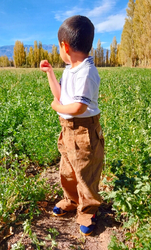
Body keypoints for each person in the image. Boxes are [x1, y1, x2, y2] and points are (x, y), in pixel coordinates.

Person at [40, 15, 104, 236]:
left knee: (86, 174)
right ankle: (72, 200)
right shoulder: (70, 69)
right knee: (67, 171)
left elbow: (77, 107)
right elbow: (61, 96)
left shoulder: (86, 72)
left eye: (58, 46)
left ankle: (88, 211)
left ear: (64, 46)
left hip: (84, 131)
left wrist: (55, 107)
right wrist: (50, 73)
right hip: (67, 130)